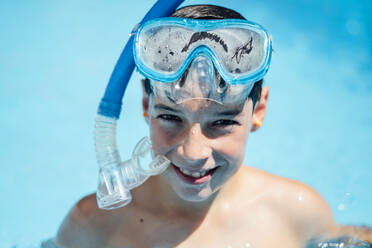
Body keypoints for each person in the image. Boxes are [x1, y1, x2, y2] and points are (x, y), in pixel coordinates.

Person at [55, 4, 338, 248]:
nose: (193, 152)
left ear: (259, 110)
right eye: (170, 117)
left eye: (223, 122)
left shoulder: (298, 213)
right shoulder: (94, 225)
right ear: (146, 105)